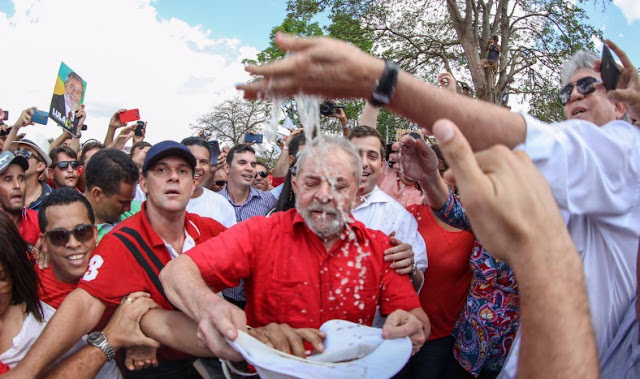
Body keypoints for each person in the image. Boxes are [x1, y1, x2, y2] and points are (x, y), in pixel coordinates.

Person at [236, 33, 638, 377]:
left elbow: (520, 138)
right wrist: (431, 178)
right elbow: (467, 218)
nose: (573, 99)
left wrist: (382, 81)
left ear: (620, 103)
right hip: (497, 353)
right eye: (565, 92)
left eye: (587, 86)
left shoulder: (623, 153)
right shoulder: (270, 226)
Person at [159, 136, 430, 362]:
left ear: (356, 191)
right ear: (297, 185)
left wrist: (411, 325)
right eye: (312, 183)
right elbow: (177, 272)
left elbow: (413, 314)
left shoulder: (380, 247)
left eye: (338, 185)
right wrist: (209, 307)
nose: (324, 195)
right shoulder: (261, 233)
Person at [9, 141, 227, 378]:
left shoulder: (212, 231)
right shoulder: (120, 242)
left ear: (194, 182)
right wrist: (24, 372)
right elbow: (86, 304)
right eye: (162, 170)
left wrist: (254, 339)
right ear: (144, 183)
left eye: (183, 171)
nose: (173, 177)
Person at [432, 119, 598, 379]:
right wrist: (430, 176)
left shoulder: (553, 231)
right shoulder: (487, 215)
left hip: (511, 348)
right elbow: (451, 210)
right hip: (469, 340)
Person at [219, 144, 276, 308]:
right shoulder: (214, 203)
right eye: (242, 163)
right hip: (224, 295)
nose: (250, 168)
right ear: (227, 168)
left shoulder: (268, 201)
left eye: (252, 164)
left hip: (260, 296)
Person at [83, 148, 141, 241]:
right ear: (98, 194)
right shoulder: (77, 235)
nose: (128, 208)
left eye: (131, 200)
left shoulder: (140, 211)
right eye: (123, 202)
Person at [181, 137, 236, 228]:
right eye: (192, 160)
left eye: (203, 162)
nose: (197, 167)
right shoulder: (161, 201)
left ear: (210, 165)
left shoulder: (222, 204)